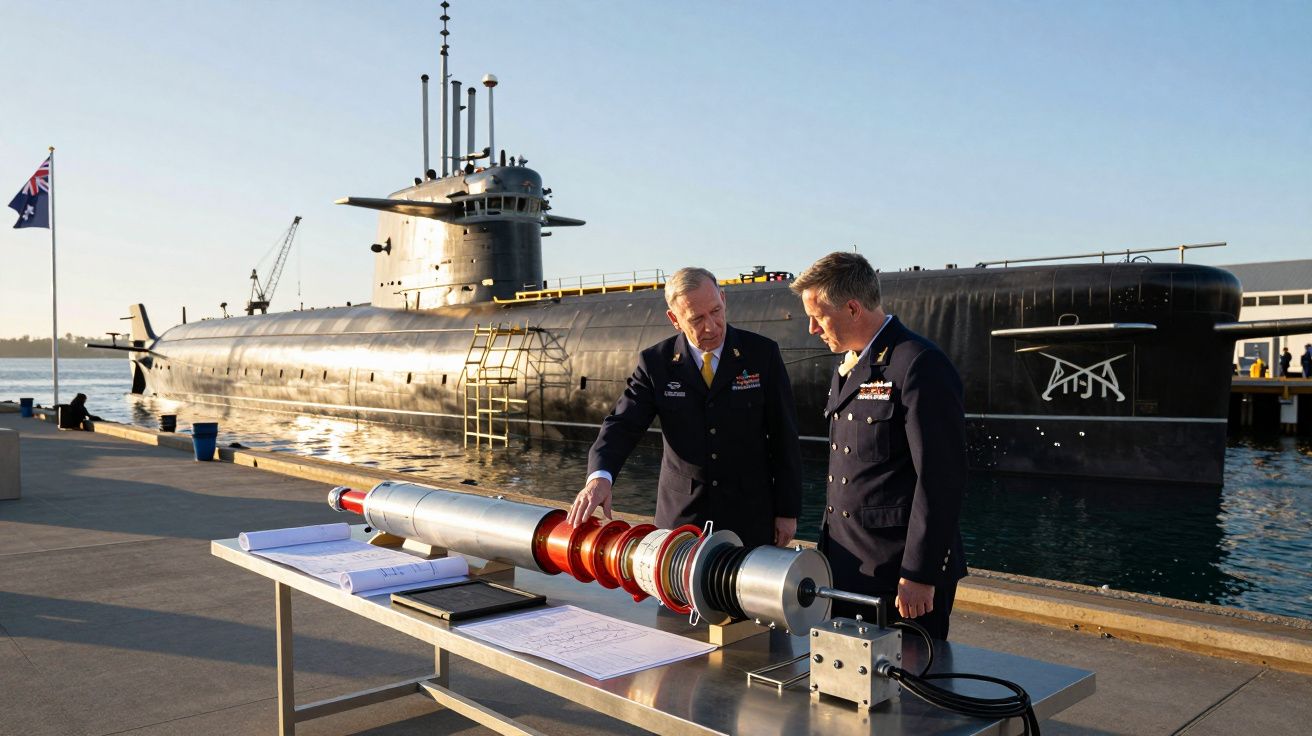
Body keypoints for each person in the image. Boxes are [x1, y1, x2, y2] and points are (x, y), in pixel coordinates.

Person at [791, 252, 967, 640]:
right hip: (848, 567)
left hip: (897, 575)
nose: (812, 330)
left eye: (818, 317)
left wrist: (920, 573)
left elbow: (940, 478)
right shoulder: (853, 364)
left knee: (911, 689)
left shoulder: (917, 364)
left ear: (852, 308)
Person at [567, 267, 802, 549]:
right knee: (677, 594)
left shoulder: (761, 354)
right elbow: (623, 424)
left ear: (724, 299)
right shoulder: (656, 363)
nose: (711, 327)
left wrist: (787, 511)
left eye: (716, 311)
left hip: (749, 515)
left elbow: (783, 436)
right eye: (697, 319)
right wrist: (599, 477)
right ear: (674, 319)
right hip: (682, 520)